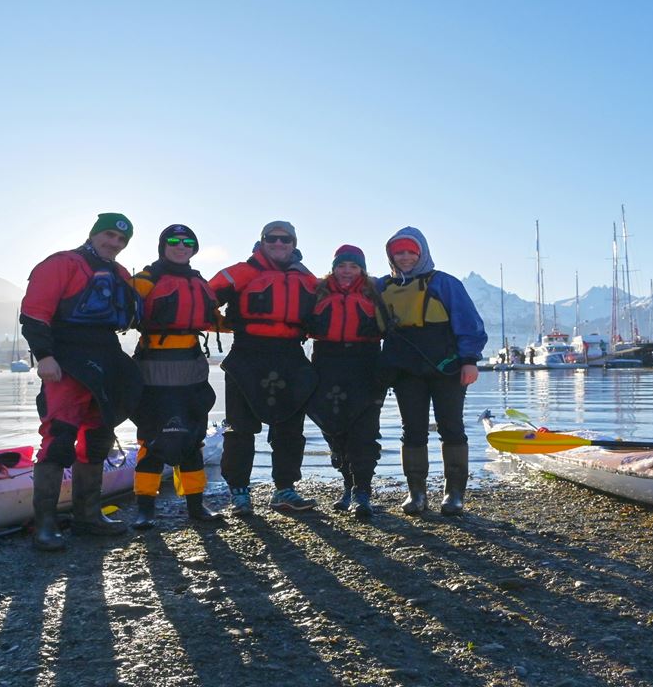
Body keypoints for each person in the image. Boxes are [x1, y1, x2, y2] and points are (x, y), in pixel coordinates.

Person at [19, 213, 144, 550]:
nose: (114, 243)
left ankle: (88, 516)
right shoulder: (63, 263)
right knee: (59, 436)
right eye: (108, 235)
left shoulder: (118, 274)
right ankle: (44, 525)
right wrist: (44, 356)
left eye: (121, 240)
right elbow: (33, 312)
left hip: (105, 356)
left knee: (99, 436)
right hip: (67, 357)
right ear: (93, 234)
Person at [209, 221, 319, 515]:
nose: (279, 244)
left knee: (290, 429)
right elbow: (203, 298)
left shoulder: (307, 279)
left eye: (286, 240)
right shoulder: (241, 272)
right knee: (239, 429)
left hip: (290, 355)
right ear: (262, 241)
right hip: (247, 354)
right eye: (273, 238)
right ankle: (240, 493)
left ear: (294, 244)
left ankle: (284, 489)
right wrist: (224, 325)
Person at [378, 227, 487, 516]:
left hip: (446, 369)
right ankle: (417, 493)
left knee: (451, 426)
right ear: (391, 255)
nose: (404, 257)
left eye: (410, 252)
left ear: (422, 252)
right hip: (405, 371)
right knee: (412, 430)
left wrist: (470, 360)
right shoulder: (382, 287)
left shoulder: (444, 283)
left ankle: (454, 494)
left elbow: (469, 323)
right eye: (398, 252)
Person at [129, 224, 222, 529]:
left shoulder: (199, 281)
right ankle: (145, 508)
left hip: (192, 366)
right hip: (154, 366)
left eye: (187, 242)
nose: (180, 246)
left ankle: (196, 506)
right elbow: (122, 309)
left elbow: (217, 319)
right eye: (173, 241)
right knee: (152, 439)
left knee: (192, 437)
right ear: (162, 246)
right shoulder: (146, 279)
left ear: (194, 249)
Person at [305, 245, 389, 519]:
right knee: (332, 427)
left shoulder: (375, 292)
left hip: (366, 362)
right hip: (326, 361)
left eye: (353, 266)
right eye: (342, 266)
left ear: (362, 269)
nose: (347, 271)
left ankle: (362, 492)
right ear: (334, 267)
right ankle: (347, 484)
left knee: (364, 429)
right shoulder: (318, 291)